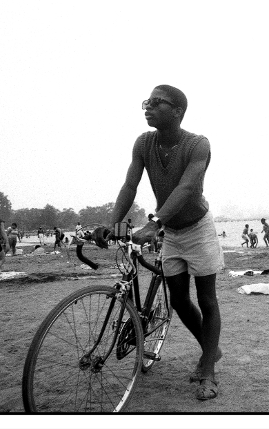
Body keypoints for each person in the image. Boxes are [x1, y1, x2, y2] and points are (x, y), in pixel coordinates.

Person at [92, 85, 224, 400]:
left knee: (207, 300)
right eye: (146, 102)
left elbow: (187, 188)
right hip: (172, 233)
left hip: (198, 228)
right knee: (178, 300)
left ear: (178, 110)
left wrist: (154, 223)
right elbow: (130, 183)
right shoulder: (143, 142)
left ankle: (208, 369)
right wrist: (113, 225)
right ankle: (212, 350)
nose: (147, 107)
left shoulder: (198, 145)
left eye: (156, 102)